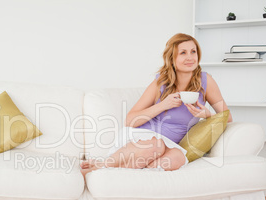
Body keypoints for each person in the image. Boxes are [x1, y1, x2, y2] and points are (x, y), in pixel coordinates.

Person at [80, 33, 232, 178]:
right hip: (143, 139)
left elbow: (227, 117)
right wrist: (164, 105)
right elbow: (130, 120)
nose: (190, 57)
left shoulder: (206, 82)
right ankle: (102, 165)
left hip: (170, 145)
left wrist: (207, 115)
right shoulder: (161, 83)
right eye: (183, 53)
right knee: (156, 145)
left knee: (177, 159)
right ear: (172, 58)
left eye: (193, 51)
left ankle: (120, 172)